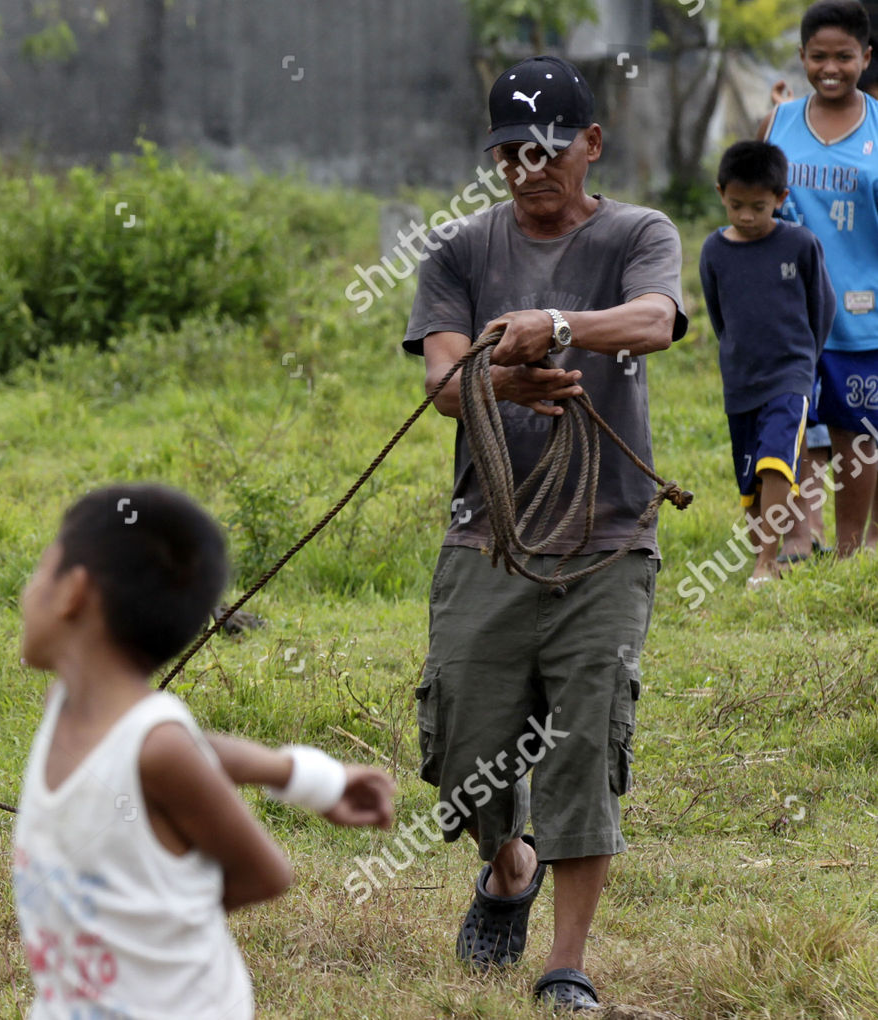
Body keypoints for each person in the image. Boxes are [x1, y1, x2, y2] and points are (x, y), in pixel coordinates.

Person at [402, 56, 687, 1011]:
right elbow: (442, 378)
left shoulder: (639, 232)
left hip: (607, 536)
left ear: (592, 145)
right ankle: (508, 864)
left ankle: (566, 963)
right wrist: (496, 381)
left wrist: (558, 326)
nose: (533, 166)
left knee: (582, 748)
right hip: (489, 531)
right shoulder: (459, 251)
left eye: (553, 149)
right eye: (514, 152)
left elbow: (654, 320)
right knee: (465, 751)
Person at [11, 483, 396, 1019]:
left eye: (37, 573)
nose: (25, 593)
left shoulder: (159, 750)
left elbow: (266, 873)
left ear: (74, 592)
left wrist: (153, 922)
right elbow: (198, 752)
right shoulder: (70, 707)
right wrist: (304, 776)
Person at [761, 0, 878, 557]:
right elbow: (757, 205)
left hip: (863, 315)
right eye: (818, 56)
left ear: (866, 57)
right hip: (791, 314)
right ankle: (802, 537)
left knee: (858, 435)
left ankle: (853, 547)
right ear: (803, 57)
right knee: (796, 427)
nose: (830, 68)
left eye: (844, 57)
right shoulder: (780, 123)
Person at [699, 140, 836, 587]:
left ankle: (766, 562)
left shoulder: (799, 243)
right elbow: (719, 316)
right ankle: (764, 553)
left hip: (791, 374)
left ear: (780, 199)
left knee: (777, 458)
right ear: (721, 193)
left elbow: (823, 306)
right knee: (749, 478)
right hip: (740, 379)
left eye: (757, 207)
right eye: (735, 205)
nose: (745, 216)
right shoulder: (713, 251)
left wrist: (805, 361)